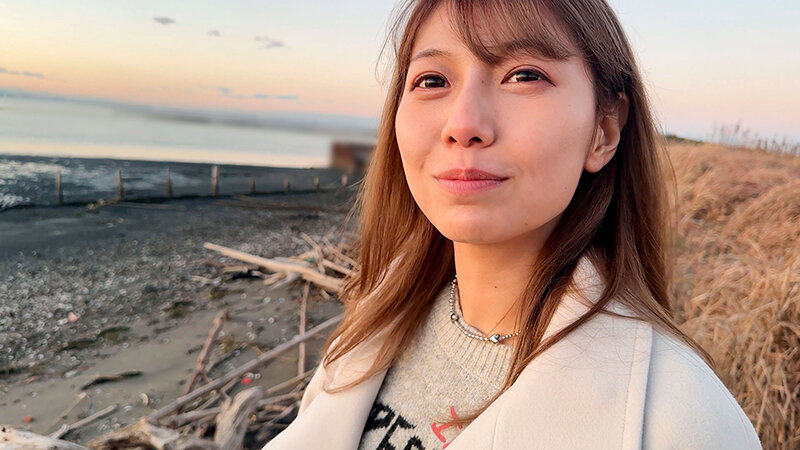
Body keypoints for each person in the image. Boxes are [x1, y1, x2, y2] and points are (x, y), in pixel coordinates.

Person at [264, 0, 761, 448]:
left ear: (604, 131)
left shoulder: (688, 422)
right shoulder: (376, 313)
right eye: (432, 81)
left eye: (524, 75)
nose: (463, 125)